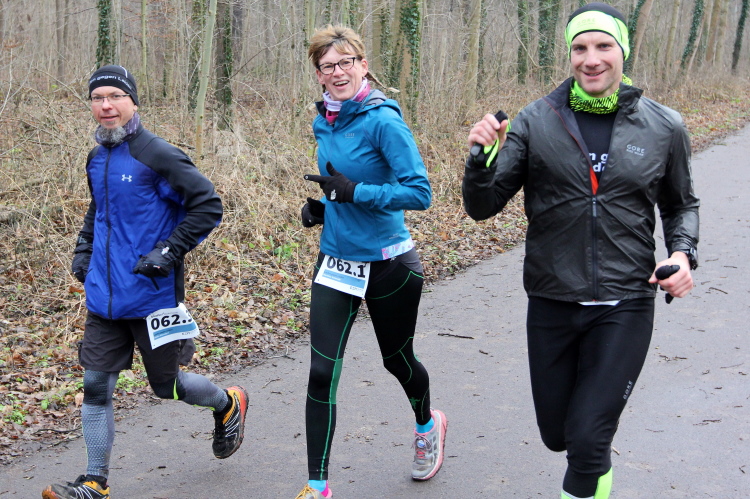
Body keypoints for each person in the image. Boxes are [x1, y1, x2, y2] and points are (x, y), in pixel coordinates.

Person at [462, 3, 699, 498]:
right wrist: (481, 161)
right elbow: (483, 207)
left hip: (626, 301)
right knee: (560, 436)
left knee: (588, 439)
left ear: (622, 52)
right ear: (569, 55)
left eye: (603, 46)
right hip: (552, 299)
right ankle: (594, 466)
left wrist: (682, 254)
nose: (591, 59)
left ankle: (590, 462)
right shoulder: (536, 121)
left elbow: (681, 205)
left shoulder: (664, 126)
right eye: (580, 47)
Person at [42, 65, 248, 499]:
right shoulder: (97, 157)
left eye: (115, 96)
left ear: (133, 102)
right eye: (98, 98)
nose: (106, 106)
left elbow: (208, 205)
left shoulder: (158, 154)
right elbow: (99, 211)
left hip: (153, 297)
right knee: (95, 386)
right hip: (104, 297)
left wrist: (168, 252)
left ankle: (227, 403)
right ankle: (95, 481)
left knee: (167, 386)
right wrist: (83, 252)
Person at [295, 25, 447, 499]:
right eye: (327, 66)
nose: (337, 72)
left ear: (363, 65)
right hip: (336, 263)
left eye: (346, 62)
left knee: (397, 360)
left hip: (388, 265)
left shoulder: (383, 120)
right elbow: (339, 183)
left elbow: (419, 192)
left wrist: (355, 192)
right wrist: (327, 207)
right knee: (321, 372)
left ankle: (427, 425)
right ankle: (317, 487)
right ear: (318, 74)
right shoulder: (324, 121)